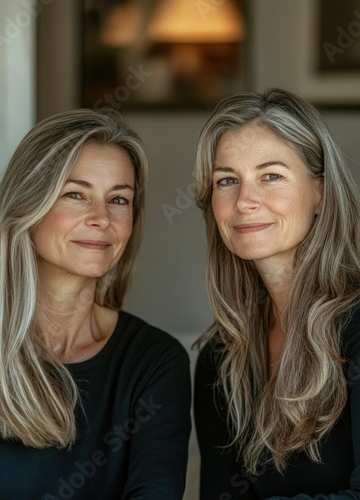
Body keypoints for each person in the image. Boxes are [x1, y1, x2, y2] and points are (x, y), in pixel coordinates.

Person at [0, 108, 191, 499]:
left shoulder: (154, 362)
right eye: (75, 194)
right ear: (29, 204)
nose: (101, 218)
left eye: (119, 199)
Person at [194, 88, 360, 499]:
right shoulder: (221, 355)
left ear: (319, 192)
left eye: (271, 176)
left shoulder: (355, 325)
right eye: (227, 180)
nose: (245, 200)